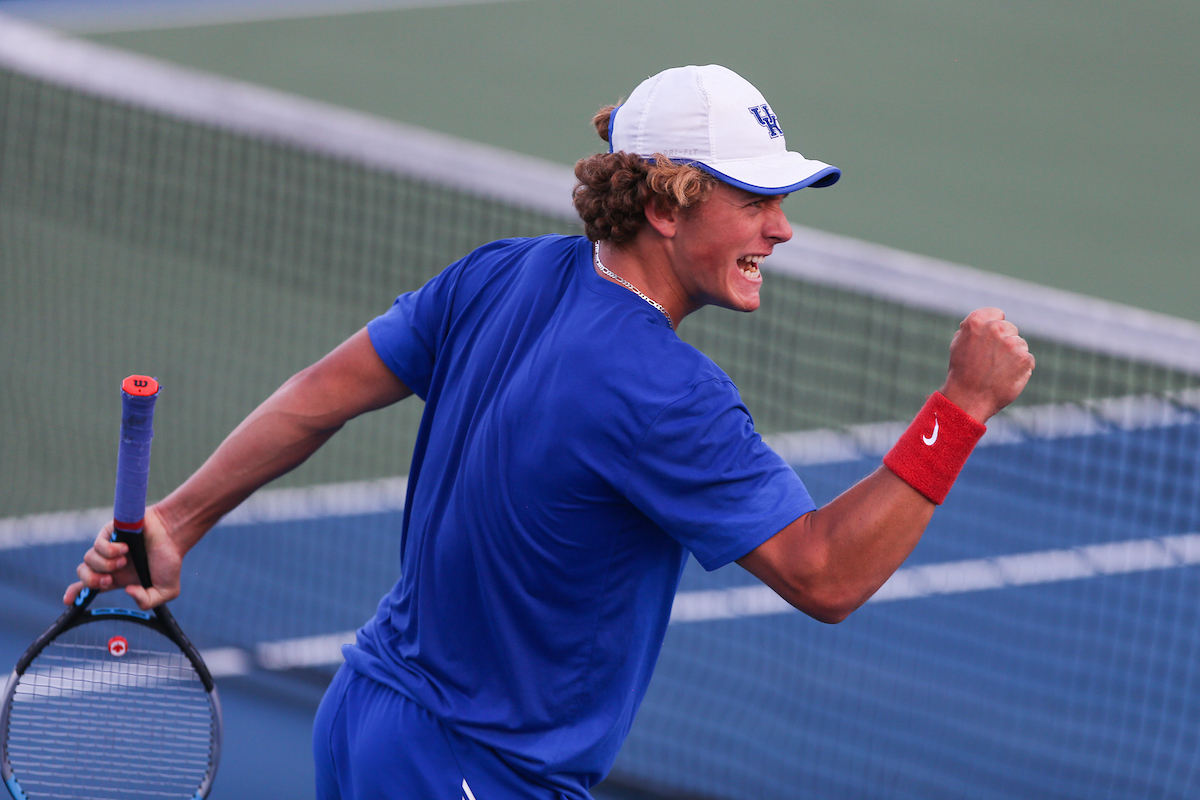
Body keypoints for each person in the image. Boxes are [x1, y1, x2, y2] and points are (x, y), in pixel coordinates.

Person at [67, 64, 1034, 799]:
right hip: (481, 769)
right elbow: (826, 575)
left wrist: (181, 518)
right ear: (664, 205)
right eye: (752, 201)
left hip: (364, 716)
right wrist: (960, 410)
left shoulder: (502, 271)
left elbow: (319, 394)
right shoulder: (665, 391)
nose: (780, 230)